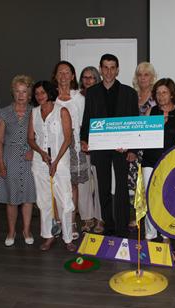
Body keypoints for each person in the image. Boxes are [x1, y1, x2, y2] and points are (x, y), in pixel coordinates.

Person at [80, 53, 139, 237]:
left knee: (122, 187)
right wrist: (84, 139)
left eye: (112, 67)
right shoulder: (92, 92)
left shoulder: (129, 93)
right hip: (100, 148)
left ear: (117, 70)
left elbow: (134, 121)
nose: (108, 71)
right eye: (105, 67)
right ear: (100, 69)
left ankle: (122, 228)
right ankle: (109, 226)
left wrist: (133, 150)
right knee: (103, 188)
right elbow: (87, 118)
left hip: (122, 148)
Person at [28, 80, 76, 252]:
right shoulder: (33, 113)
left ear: (49, 93)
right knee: (44, 201)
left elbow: (68, 139)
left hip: (60, 163)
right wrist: (41, 153)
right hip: (40, 163)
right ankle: (48, 236)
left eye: (42, 92)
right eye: (37, 94)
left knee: (65, 200)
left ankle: (68, 238)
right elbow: (31, 139)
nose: (40, 96)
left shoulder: (61, 111)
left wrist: (55, 161)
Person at [141, 78, 175, 241]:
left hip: (171, 163)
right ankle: (150, 232)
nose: (161, 96)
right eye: (158, 93)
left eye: (164, 92)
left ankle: (165, 231)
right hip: (150, 160)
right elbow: (141, 135)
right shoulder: (150, 111)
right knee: (150, 196)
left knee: (168, 197)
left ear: (172, 94)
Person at [0, 75, 36, 247]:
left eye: (24, 92)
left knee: (28, 198)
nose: (21, 95)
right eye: (18, 91)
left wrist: (33, 152)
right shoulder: (4, 112)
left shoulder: (35, 111)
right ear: (13, 93)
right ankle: (11, 231)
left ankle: (26, 230)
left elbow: (39, 136)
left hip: (28, 159)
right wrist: (0, 163)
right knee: (11, 199)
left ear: (29, 94)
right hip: (10, 158)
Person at [51, 61, 85, 241]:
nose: (63, 76)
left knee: (72, 185)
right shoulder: (50, 97)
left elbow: (84, 123)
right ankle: (57, 221)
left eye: (67, 73)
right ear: (55, 76)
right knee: (55, 184)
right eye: (60, 72)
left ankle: (71, 221)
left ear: (73, 76)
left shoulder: (79, 98)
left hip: (74, 147)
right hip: (55, 147)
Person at [127, 62, 158, 229]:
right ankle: (137, 216)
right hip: (132, 146)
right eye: (140, 75)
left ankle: (149, 218)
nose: (143, 78)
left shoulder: (157, 96)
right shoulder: (131, 95)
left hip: (149, 147)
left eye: (146, 74)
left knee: (148, 183)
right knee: (133, 183)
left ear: (152, 77)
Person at [77, 66, 103, 233]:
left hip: (100, 144)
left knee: (101, 183)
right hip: (81, 144)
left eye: (91, 77)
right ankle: (87, 217)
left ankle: (101, 219)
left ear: (97, 79)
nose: (88, 80)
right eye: (85, 77)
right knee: (83, 183)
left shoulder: (102, 95)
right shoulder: (76, 97)